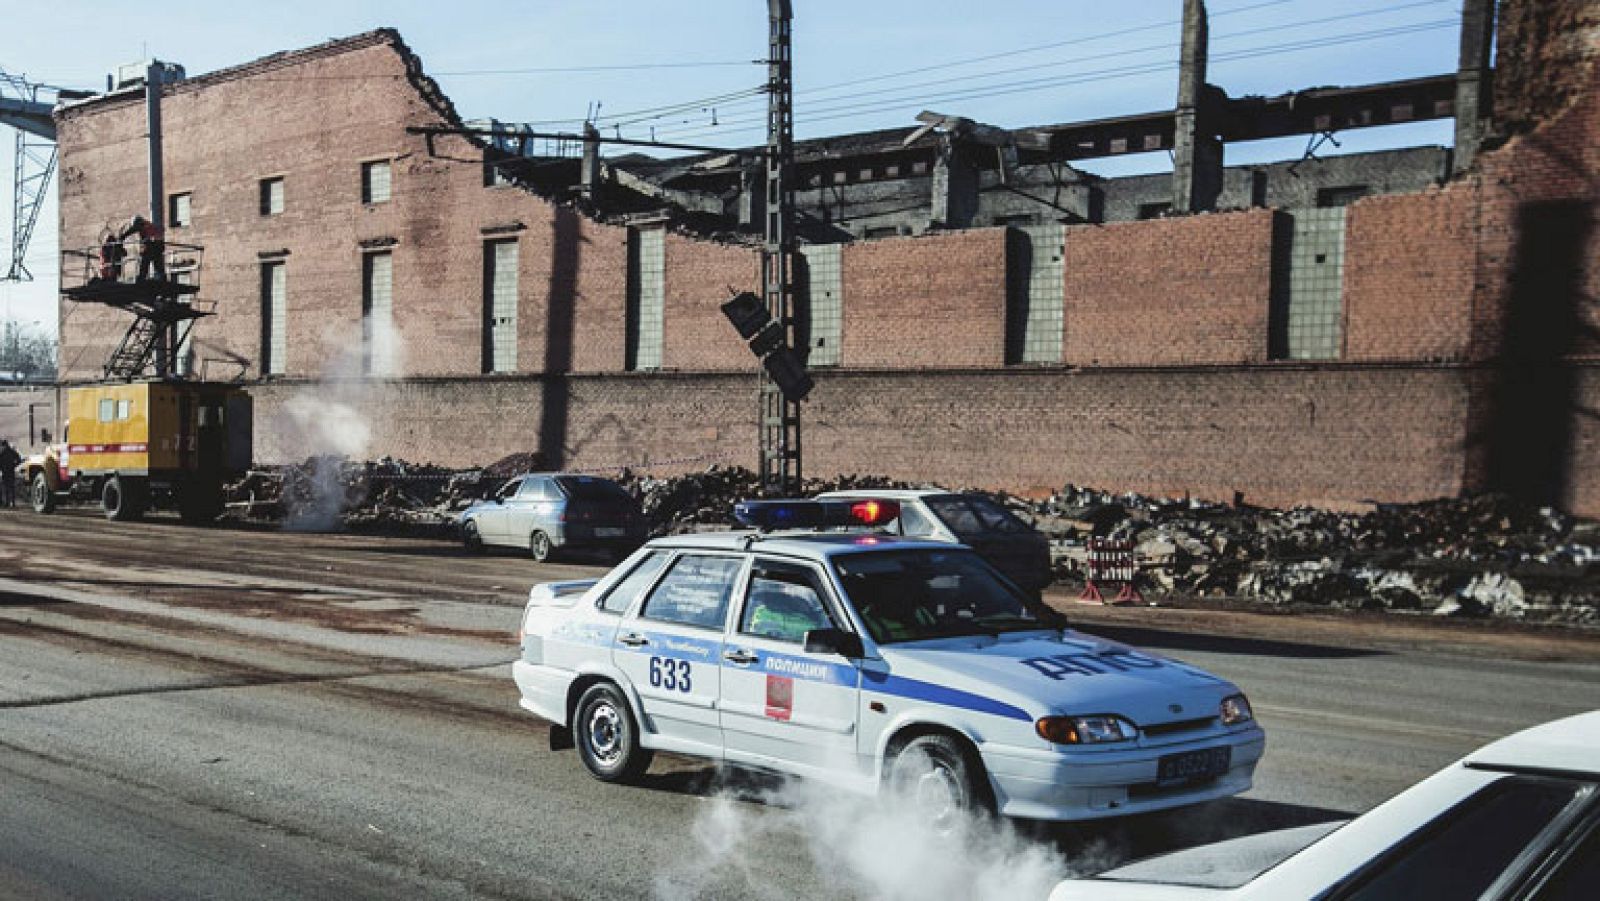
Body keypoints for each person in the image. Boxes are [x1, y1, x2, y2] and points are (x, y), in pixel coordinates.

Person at [119, 214, 166, 281]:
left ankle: (142, 278)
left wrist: (122, 237)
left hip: (152, 246)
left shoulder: (142, 225)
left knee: (145, 262)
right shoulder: (148, 224)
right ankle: (162, 278)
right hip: (157, 246)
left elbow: (132, 230)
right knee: (157, 264)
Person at [0, 439, 20, 509]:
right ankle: (12, 503)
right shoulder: (12, 451)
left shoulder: (2, 452)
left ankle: (7, 503)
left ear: (3, 445)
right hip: (10, 471)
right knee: (11, 488)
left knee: (6, 488)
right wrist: (14, 465)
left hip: (5, 472)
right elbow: (19, 459)